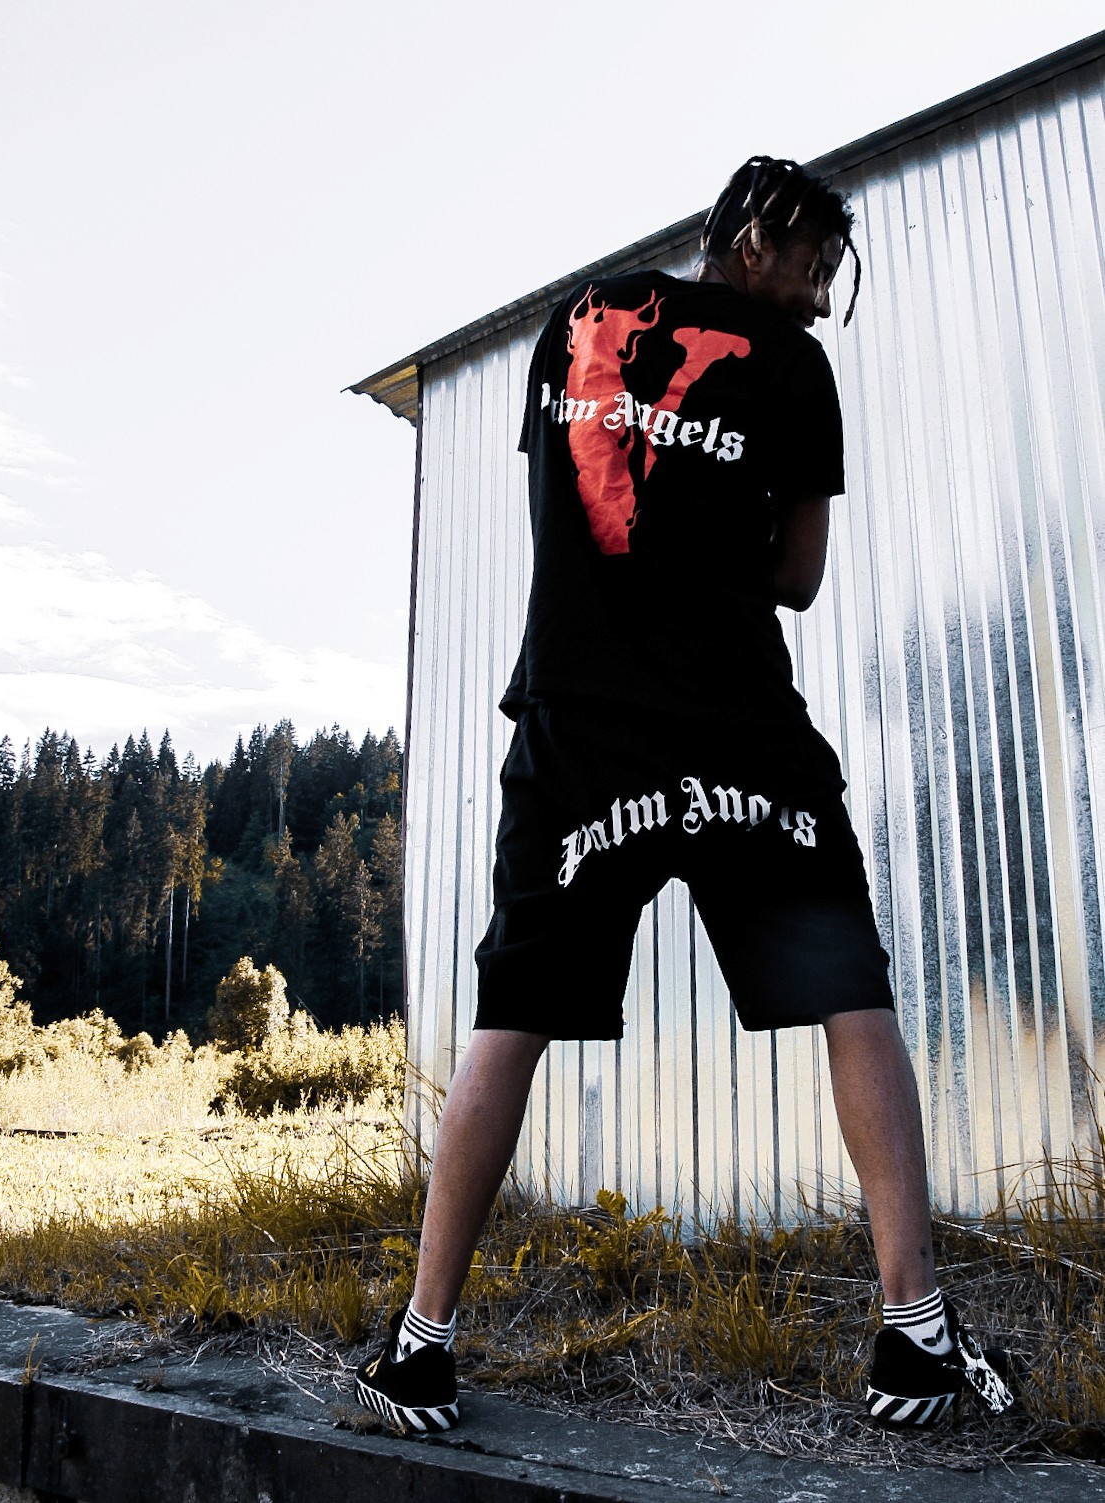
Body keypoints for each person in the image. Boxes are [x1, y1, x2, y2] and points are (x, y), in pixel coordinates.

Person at [354, 156, 1014, 1434]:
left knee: (512, 1014)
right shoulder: (789, 366)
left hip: (577, 726)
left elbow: (566, 510)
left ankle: (420, 1346)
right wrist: (721, 530)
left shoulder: (578, 320)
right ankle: (914, 1338)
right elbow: (798, 577)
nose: (816, 299)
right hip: (733, 729)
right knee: (851, 996)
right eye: (812, 266)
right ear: (752, 237)